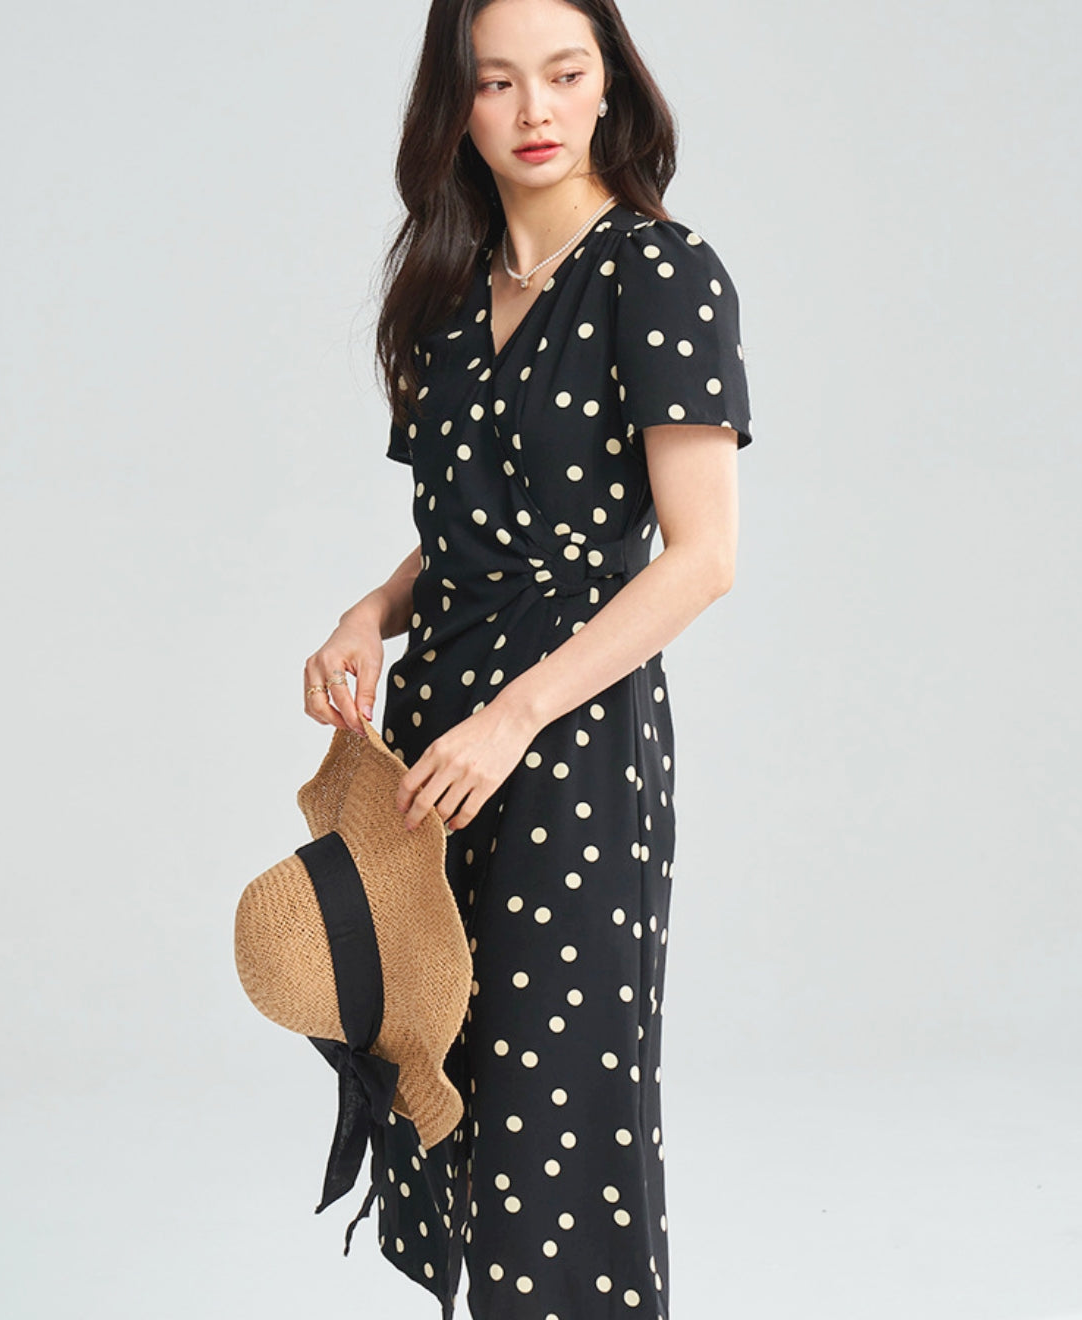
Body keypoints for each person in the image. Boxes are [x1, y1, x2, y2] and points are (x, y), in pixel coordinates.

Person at [302, 0, 753, 1314]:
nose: (536, 110)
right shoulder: (447, 290)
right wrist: (365, 615)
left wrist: (515, 717)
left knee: (558, 1101)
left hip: (568, 736)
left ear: (612, 83)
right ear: (457, 106)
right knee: (441, 1064)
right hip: (434, 735)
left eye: (563, 73)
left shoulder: (660, 273)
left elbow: (702, 556)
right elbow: (469, 531)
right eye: (497, 83)